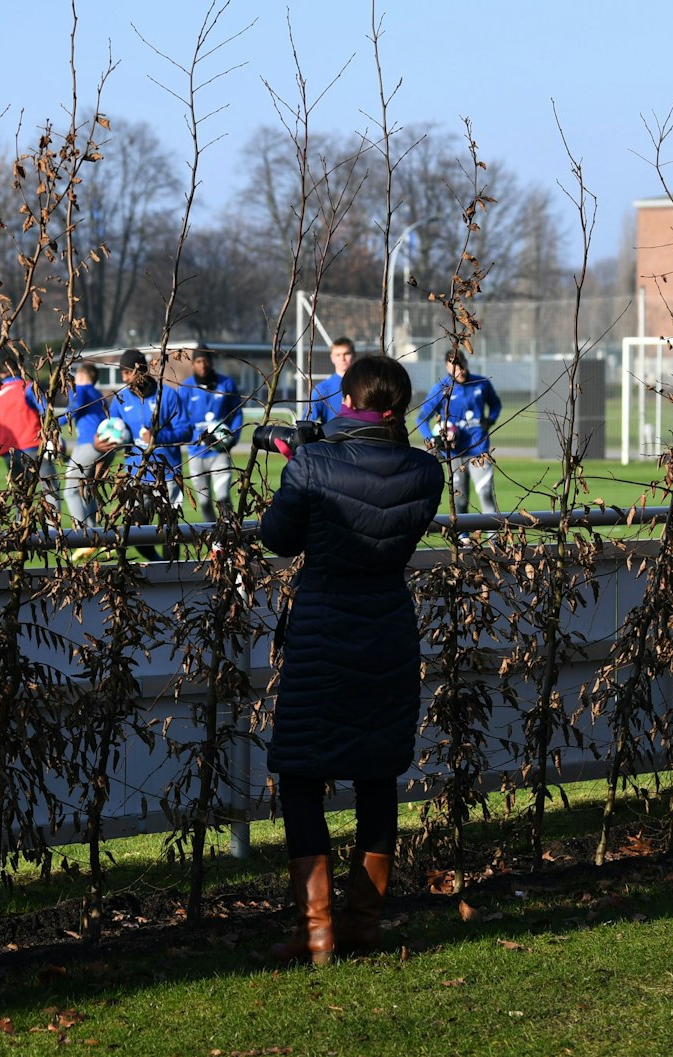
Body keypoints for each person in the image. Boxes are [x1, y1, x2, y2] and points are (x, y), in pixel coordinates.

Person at [258, 354, 443, 964]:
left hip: (322, 628)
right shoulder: (426, 470)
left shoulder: (312, 463)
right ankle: (364, 923)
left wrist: (297, 466)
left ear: (347, 400)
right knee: (376, 771)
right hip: (388, 627)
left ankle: (317, 932)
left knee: (302, 776)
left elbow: (280, 539)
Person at [97, 348, 191, 561]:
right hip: (137, 476)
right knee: (135, 533)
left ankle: (170, 578)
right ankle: (159, 565)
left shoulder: (167, 395)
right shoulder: (120, 398)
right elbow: (112, 431)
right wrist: (101, 444)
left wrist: (157, 437)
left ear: (141, 370)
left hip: (168, 475)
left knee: (170, 533)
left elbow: (186, 431)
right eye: (122, 373)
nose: (125, 378)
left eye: (128, 372)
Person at [416, 349, 501, 515]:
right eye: (453, 367)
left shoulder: (482, 383)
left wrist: (490, 420)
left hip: (479, 450)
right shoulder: (441, 389)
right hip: (454, 453)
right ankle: (464, 540)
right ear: (447, 368)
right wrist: (433, 440)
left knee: (486, 495)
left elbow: (496, 405)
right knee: (459, 501)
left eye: (461, 365)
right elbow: (421, 419)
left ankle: (494, 540)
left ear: (466, 363)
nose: (459, 370)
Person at [179, 348, 243, 522]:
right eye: (198, 361)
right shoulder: (185, 388)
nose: (202, 365)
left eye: (206, 360)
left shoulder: (226, 384)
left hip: (220, 453)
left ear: (212, 362)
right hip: (196, 454)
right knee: (205, 502)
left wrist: (231, 439)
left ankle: (232, 537)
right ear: (193, 364)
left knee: (223, 498)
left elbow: (237, 413)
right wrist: (198, 438)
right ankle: (216, 543)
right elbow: (181, 421)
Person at [0, 353, 58, 507]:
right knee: (50, 489)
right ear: (19, 369)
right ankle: (55, 528)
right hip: (33, 445)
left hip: (8, 451)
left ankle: (21, 528)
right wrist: (52, 437)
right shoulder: (28, 387)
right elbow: (46, 412)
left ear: (0, 373)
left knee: (21, 496)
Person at [59, 361, 109, 540]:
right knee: (87, 490)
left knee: (71, 491)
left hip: (89, 444)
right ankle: (96, 536)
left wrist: (54, 423)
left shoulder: (81, 389)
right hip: (107, 447)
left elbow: (74, 408)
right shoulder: (99, 394)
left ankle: (84, 538)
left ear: (80, 376)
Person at [305, 337, 357, 424]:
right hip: (333, 436)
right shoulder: (322, 389)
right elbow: (307, 421)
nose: (342, 358)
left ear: (354, 355)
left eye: (346, 353)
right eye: (338, 355)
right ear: (332, 358)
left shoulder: (364, 385)